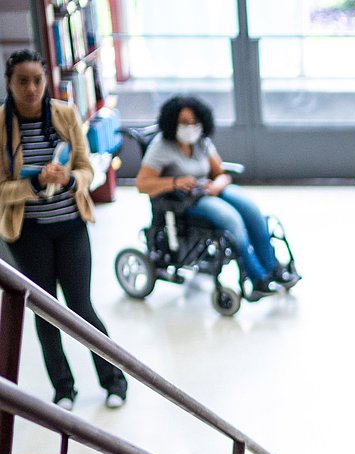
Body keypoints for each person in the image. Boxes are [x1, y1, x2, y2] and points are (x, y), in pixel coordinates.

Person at [0, 50, 127, 410]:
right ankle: (63, 390)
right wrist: (35, 185)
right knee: (45, 311)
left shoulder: (65, 114)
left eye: (37, 80)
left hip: (71, 225)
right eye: (22, 81)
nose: (31, 88)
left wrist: (70, 178)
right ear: (9, 82)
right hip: (30, 233)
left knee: (81, 306)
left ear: (46, 81)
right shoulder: (1, 125)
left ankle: (114, 380)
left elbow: (89, 169)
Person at [134, 95, 298, 300]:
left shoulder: (201, 142)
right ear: (172, 122)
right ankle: (257, 278)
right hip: (183, 199)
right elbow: (142, 184)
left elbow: (220, 172)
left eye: (194, 122)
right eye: (184, 123)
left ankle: (273, 268)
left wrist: (218, 184)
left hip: (210, 189)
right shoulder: (161, 147)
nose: (190, 127)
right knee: (232, 220)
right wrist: (175, 182)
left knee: (252, 211)